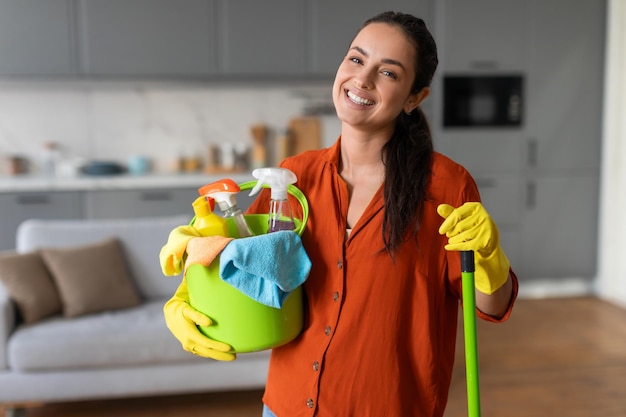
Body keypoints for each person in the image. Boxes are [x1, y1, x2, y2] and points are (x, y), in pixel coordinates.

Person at [164, 10, 518, 417]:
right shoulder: (294, 179)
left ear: (414, 98)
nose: (362, 80)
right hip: (287, 406)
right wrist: (185, 294)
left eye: (388, 73)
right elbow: (239, 262)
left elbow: (491, 306)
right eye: (356, 59)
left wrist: (490, 257)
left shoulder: (446, 186)